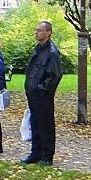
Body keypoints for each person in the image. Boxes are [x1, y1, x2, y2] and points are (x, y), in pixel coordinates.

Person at [22, 21, 63, 166]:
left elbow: (55, 75)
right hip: (33, 93)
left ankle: (46, 155)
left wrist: (41, 89)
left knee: (45, 125)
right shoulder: (38, 49)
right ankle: (36, 152)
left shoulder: (51, 52)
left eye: (39, 30)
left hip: (42, 95)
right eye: (36, 30)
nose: (36, 32)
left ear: (48, 33)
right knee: (35, 123)